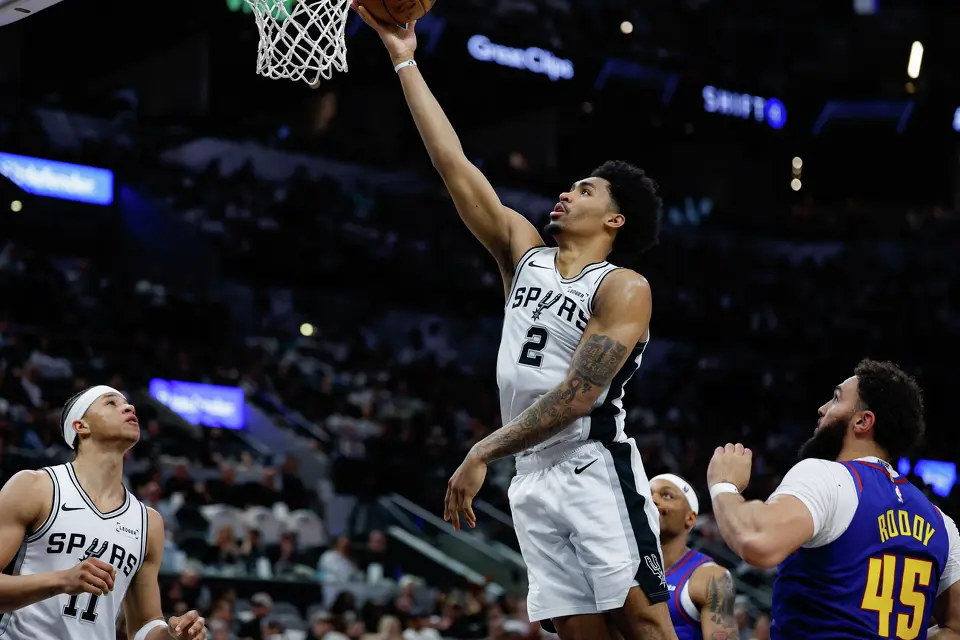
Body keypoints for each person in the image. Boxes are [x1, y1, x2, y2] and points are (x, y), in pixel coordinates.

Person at [353, 7, 670, 640]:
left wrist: (483, 449)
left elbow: (581, 394)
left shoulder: (623, 287)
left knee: (642, 625)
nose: (566, 193)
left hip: (591, 462)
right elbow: (454, 165)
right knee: (581, 635)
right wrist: (403, 57)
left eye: (584, 191)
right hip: (530, 476)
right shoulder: (523, 253)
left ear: (615, 221)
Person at [706, 359, 960, 639]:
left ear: (863, 421)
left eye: (836, 398)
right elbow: (954, 627)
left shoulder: (828, 476)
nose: (822, 409)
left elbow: (757, 541)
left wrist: (724, 485)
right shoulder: (941, 522)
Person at [0, 385, 207, 640]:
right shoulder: (36, 487)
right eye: (111, 403)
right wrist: (61, 580)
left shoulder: (148, 522)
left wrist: (172, 636)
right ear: (81, 426)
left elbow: (143, 625)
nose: (129, 408)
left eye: (128, 404)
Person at [650, 474, 739, 640]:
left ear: (690, 518)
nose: (652, 500)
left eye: (666, 495)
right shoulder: (619, 566)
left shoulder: (712, 577)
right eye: (647, 495)